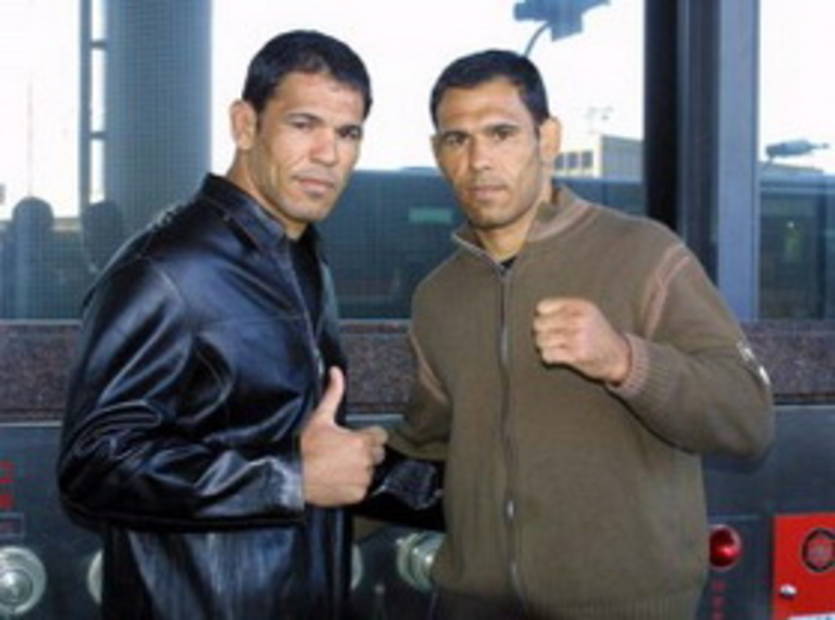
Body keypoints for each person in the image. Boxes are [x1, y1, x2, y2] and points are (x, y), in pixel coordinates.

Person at [386, 50, 774, 619]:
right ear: (436, 153)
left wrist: (625, 361)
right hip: (474, 606)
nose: (478, 160)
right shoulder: (438, 297)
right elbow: (430, 444)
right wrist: (317, 485)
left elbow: (748, 418)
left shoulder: (645, 255)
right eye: (456, 139)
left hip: (626, 607)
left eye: (501, 134)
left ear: (548, 139)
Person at [57, 30, 387, 620]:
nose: (329, 154)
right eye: (304, 124)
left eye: (348, 133)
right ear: (245, 125)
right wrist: (291, 479)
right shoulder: (167, 269)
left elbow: (282, 433)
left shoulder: (302, 258)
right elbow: (93, 465)